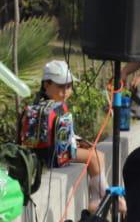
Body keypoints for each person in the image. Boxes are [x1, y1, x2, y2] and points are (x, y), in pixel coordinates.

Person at [23, 60, 109, 203]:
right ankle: (104, 197)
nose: (66, 91)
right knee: (95, 157)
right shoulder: (49, 109)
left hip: (55, 152)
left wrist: (80, 142)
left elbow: (65, 135)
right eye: (61, 87)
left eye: (69, 86)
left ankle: (97, 198)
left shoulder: (52, 105)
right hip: (53, 155)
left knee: (97, 154)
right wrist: (76, 144)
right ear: (46, 84)